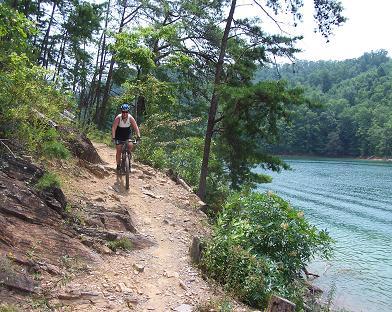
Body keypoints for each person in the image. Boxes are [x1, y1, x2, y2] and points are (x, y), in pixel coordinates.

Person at [111, 103, 141, 171]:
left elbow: (136, 127)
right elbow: (114, 128)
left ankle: (128, 162)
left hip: (127, 133)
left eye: (126, 112)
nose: (124, 113)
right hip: (119, 133)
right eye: (123, 112)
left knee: (130, 145)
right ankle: (118, 165)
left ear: (128, 112)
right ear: (121, 111)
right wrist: (113, 138)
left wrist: (138, 137)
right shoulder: (118, 117)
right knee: (118, 150)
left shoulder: (130, 118)